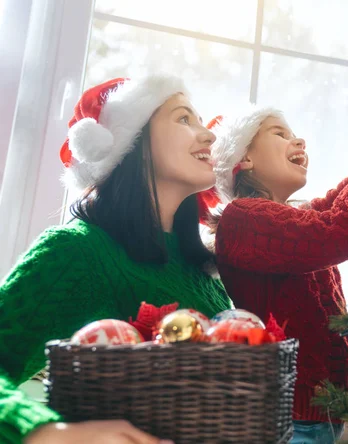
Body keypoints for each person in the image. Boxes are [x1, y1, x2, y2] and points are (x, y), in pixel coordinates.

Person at [208, 31, 348, 444]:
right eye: (279, 133)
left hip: (327, 420)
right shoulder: (241, 219)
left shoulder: (297, 215)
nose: (299, 140)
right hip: (287, 424)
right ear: (242, 159)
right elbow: (343, 231)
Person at [0, 75, 232, 444]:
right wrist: (41, 431)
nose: (208, 135)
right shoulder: (76, 251)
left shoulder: (202, 274)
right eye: (184, 119)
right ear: (133, 141)